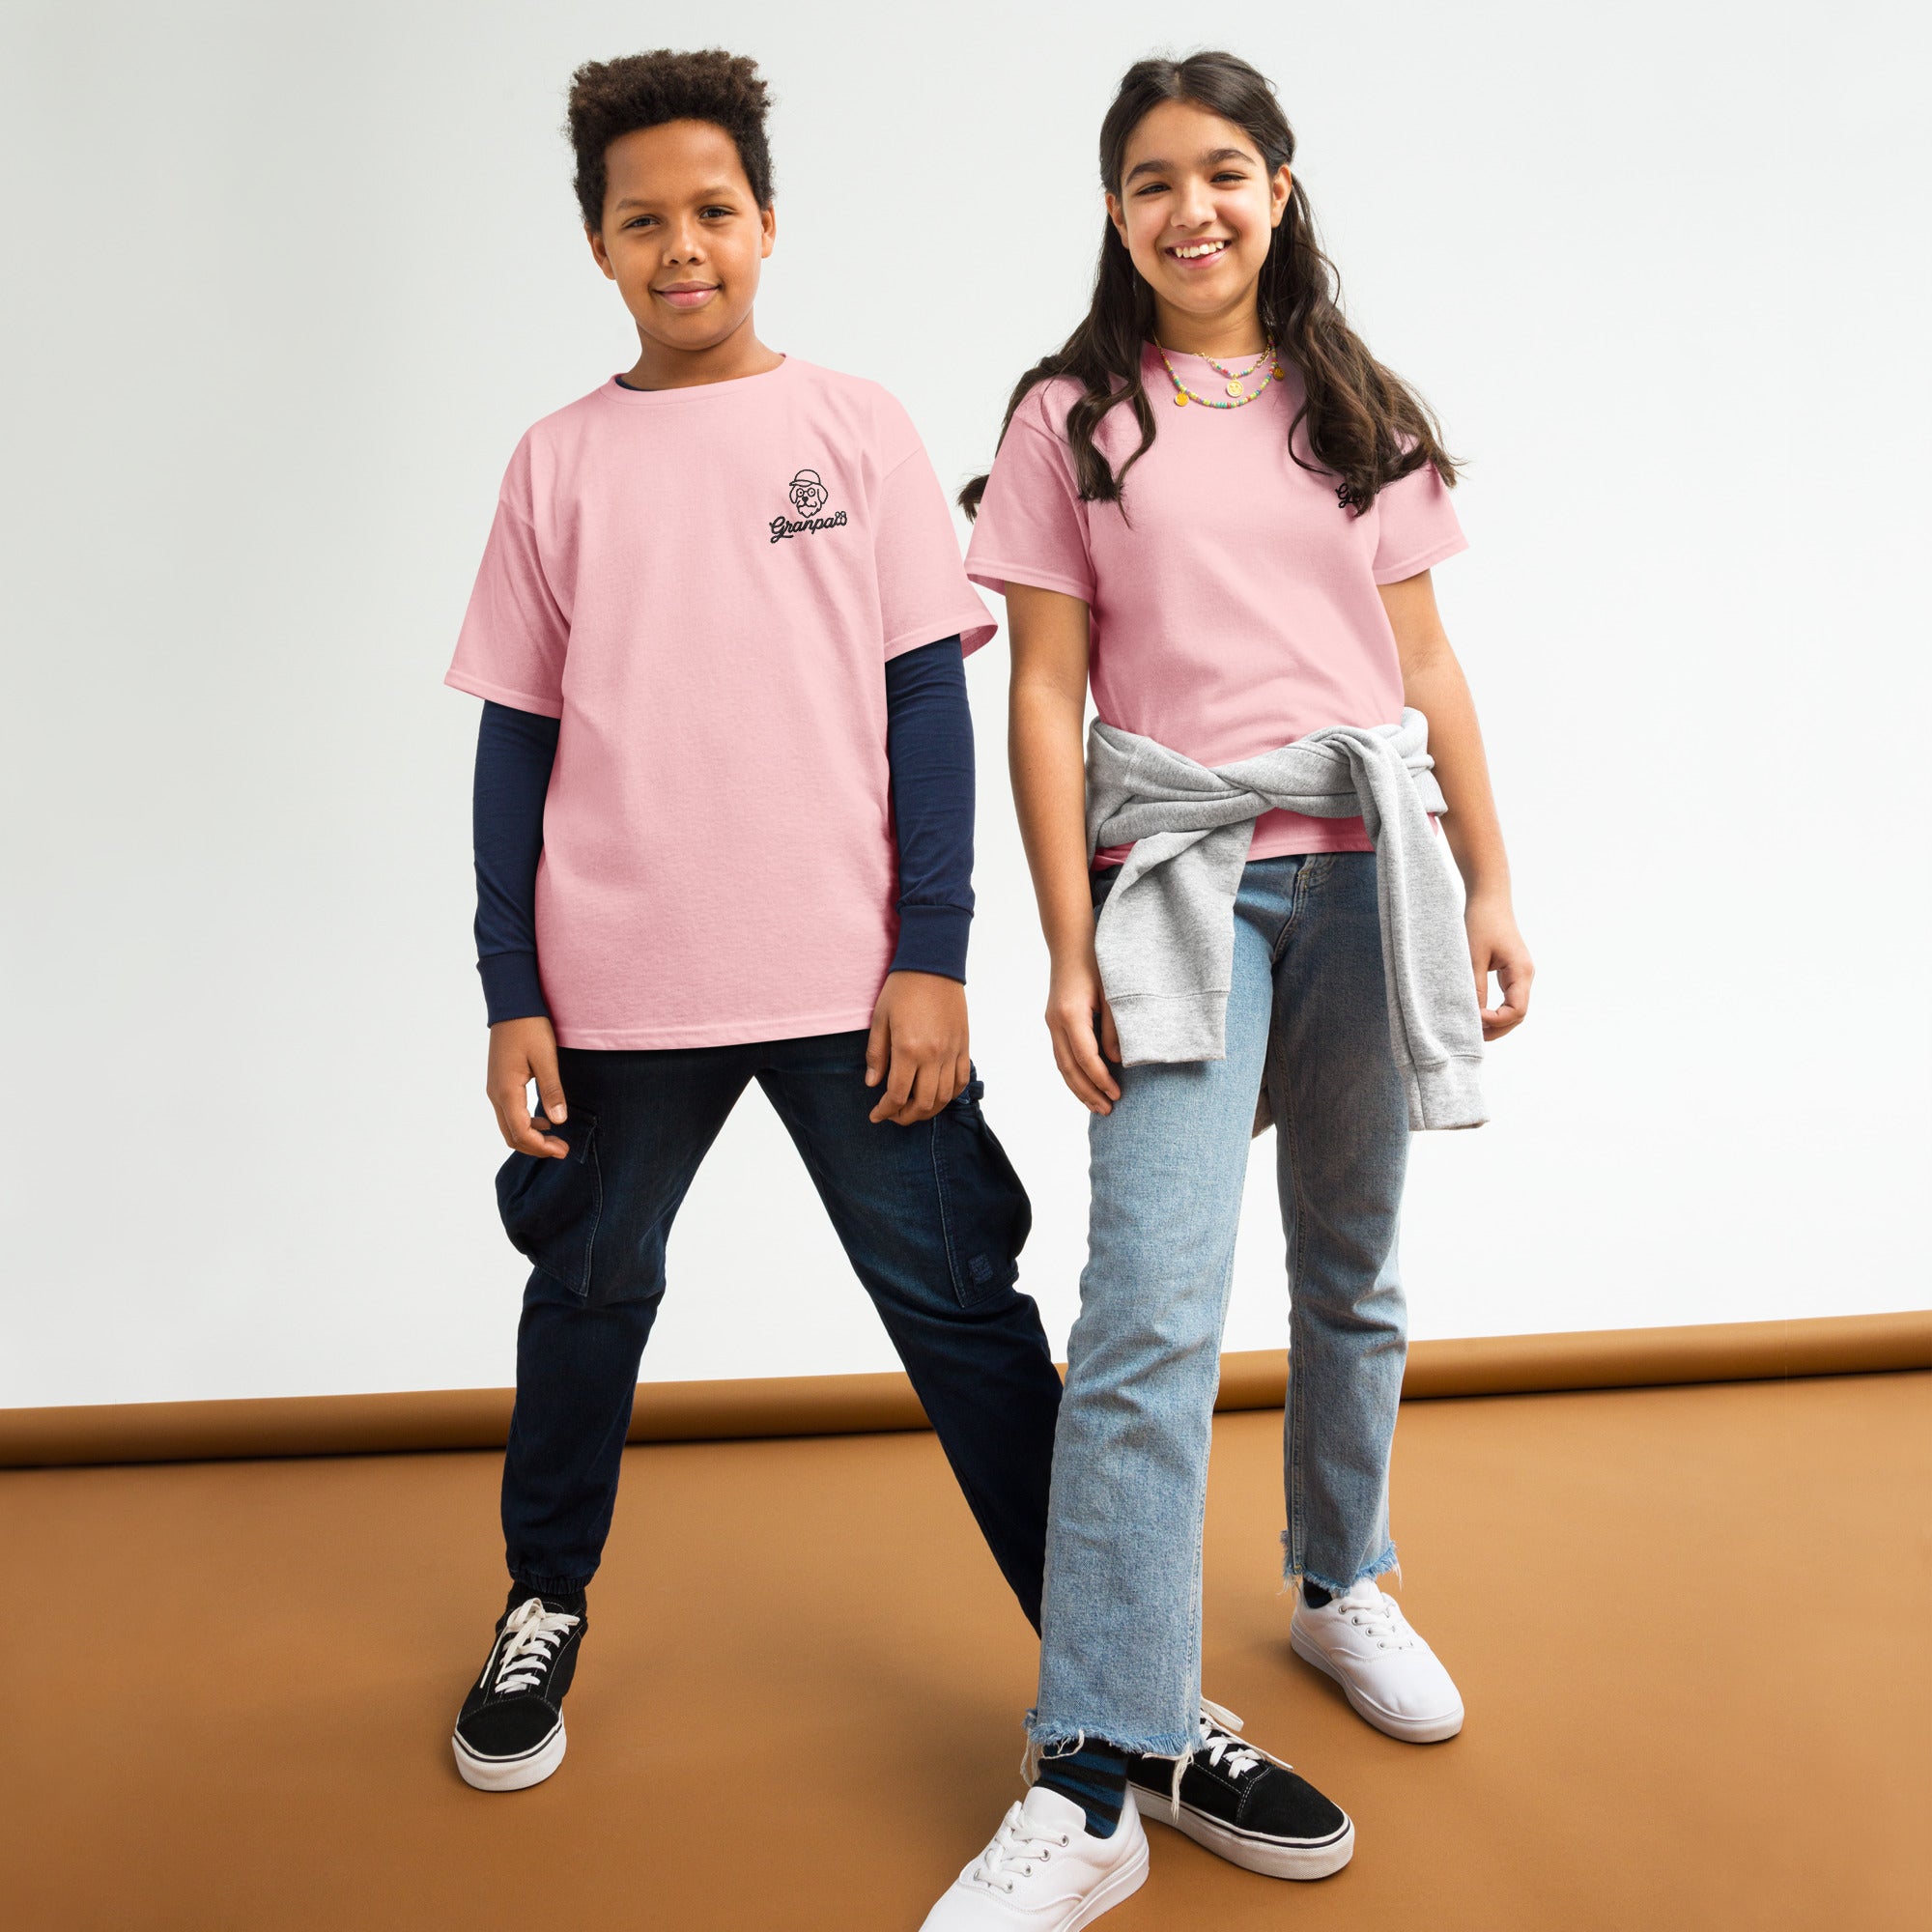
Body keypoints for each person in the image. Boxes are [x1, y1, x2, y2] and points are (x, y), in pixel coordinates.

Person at [922, 50, 1534, 1927]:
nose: (1189, 208)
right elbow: (1042, 694)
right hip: (1183, 879)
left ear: (1278, 187)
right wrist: (1062, 942)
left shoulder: (1357, 407)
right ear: (1114, 214)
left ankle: (1342, 1579)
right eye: (1150, 182)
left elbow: (1426, 668)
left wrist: (1493, 877)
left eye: (1222, 172)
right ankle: (1094, 1769)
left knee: (1352, 1262)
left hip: (1371, 875)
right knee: (1147, 1313)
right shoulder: (1070, 420)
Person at [439, 47, 1065, 1795]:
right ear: (598, 246)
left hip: (851, 983)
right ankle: (543, 1598)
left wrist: (932, 950)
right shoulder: (557, 462)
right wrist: (510, 987)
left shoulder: (853, 426)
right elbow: (516, 739)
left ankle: (1116, 1662)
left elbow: (927, 702)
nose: (683, 247)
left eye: (713, 210)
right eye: (643, 221)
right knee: (587, 1290)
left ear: (769, 223)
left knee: (965, 1309)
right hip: (618, 985)